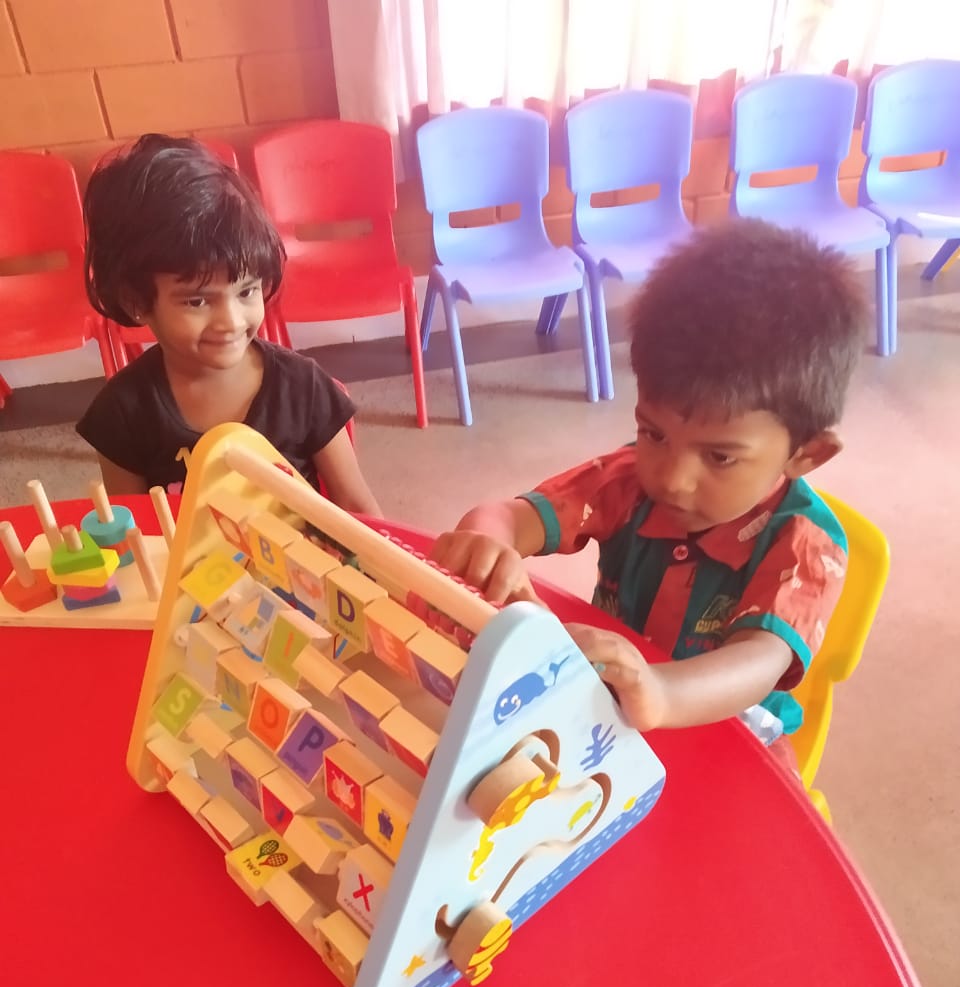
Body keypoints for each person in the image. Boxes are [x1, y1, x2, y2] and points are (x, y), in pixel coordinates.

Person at [432, 218, 867, 752]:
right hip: (609, 700)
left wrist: (659, 691)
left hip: (731, 734)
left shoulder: (805, 544)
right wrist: (487, 543)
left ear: (806, 454)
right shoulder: (628, 478)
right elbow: (508, 517)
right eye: (653, 433)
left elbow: (758, 661)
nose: (671, 478)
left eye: (720, 456)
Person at [77, 133, 381, 515]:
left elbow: (357, 507)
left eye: (246, 291)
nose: (231, 322)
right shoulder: (122, 412)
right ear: (136, 302)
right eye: (197, 301)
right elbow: (136, 530)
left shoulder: (304, 387)